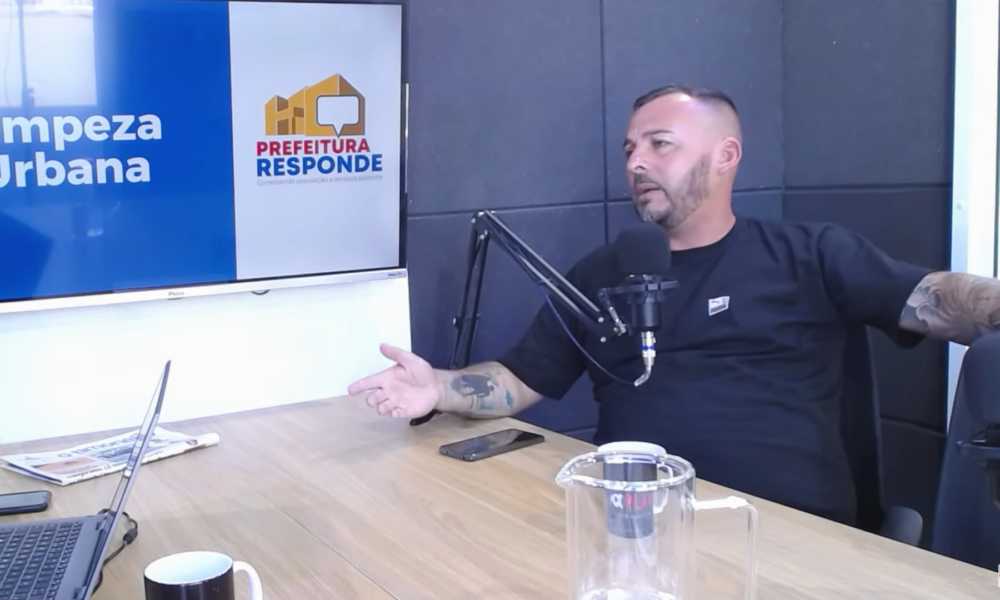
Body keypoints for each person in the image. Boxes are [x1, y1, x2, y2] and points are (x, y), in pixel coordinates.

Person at [348, 83, 1000, 525]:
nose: (637, 162)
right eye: (630, 149)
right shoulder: (603, 271)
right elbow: (519, 380)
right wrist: (437, 387)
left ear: (726, 156)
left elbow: (938, 298)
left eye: (660, 144)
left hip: (780, 529)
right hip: (631, 525)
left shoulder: (809, 254)